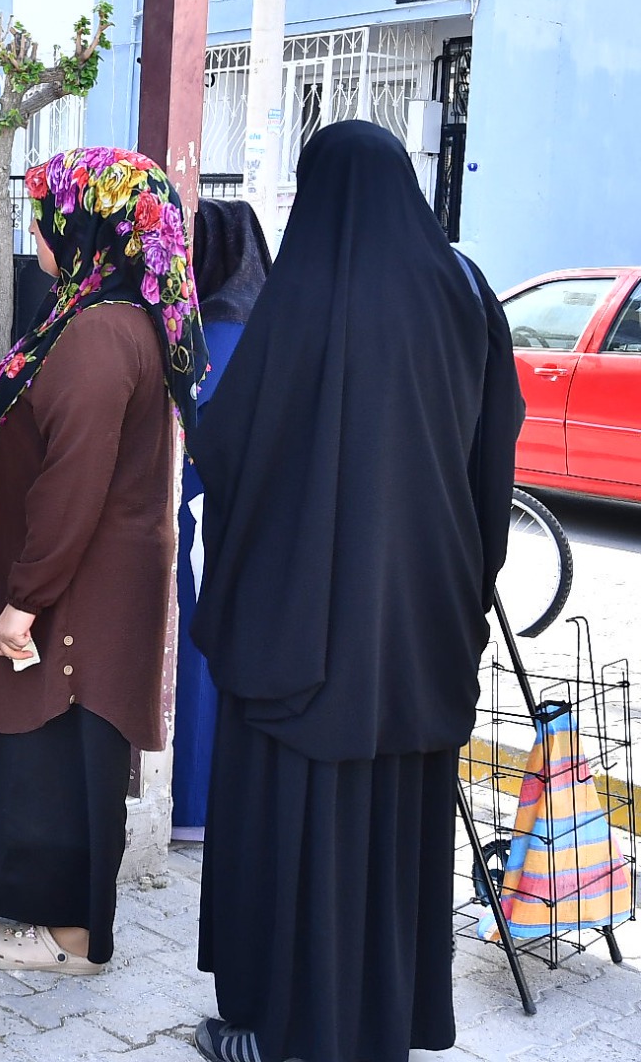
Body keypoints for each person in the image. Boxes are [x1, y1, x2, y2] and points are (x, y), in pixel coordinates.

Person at [188, 121, 523, 1062]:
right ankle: (389, 1021)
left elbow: (234, 445)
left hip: (309, 629)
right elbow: (494, 450)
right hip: (422, 624)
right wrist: (461, 573)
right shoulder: (466, 289)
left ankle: (289, 1032)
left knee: (301, 821)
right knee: (399, 821)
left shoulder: (311, 292)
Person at [0, 147, 208, 974]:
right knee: (56, 742)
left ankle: (73, 939)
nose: (37, 229)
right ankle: (62, 920)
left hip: (77, 589)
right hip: (93, 579)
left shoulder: (99, 332)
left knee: (65, 749)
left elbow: (75, 478)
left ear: (85, 226)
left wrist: (25, 600)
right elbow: (57, 427)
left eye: (48, 213)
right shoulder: (100, 313)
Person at [171, 200, 273, 841]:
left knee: (192, 662)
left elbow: (189, 438)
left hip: (198, 526)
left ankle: (191, 805)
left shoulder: (212, 337)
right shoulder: (275, 327)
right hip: (254, 531)